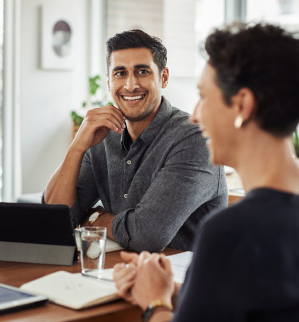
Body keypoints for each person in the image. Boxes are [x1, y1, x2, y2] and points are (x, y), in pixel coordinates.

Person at [113, 23, 299, 322]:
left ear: (242, 106)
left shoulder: (232, 233)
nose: (196, 115)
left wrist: (156, 302)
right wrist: (179, 292)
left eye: (204, 97)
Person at [44, 29, 227, 252]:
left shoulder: (193, 139)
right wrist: (77, 147)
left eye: (142, 71)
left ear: (164, 77)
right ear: (109, 82)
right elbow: (54, 218)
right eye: (120, 73)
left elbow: (147, 235)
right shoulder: (103, 136)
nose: (130, 85)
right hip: (119, 272)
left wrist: (93, 218)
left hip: (183, 281)